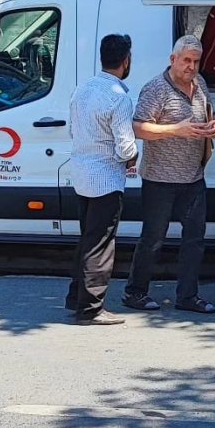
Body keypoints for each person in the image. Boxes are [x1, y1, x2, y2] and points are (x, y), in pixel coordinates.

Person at [123, 35, 215, 314]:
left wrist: (212, 127)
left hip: (193, 177)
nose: (191, 66)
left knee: (195, 239)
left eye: (196, 61)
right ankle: (135, 292)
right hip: (160, 178)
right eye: (186, 60)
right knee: (153, 239)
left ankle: (188, 296)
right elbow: (138, 128)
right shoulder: (156, 89)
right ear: (173, 59)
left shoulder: (199, 85)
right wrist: (176, 130)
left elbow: (211, 116)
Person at [65, 34, 136, 326]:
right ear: (126, 61)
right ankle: (91, 308)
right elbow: (125, 145)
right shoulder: (119, 97)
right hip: (106, 179)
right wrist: (132, 157)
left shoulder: (82, 90)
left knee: (87, 239)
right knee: (101, 244)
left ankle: (76, 296)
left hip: (81, 174)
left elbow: (73, 130)